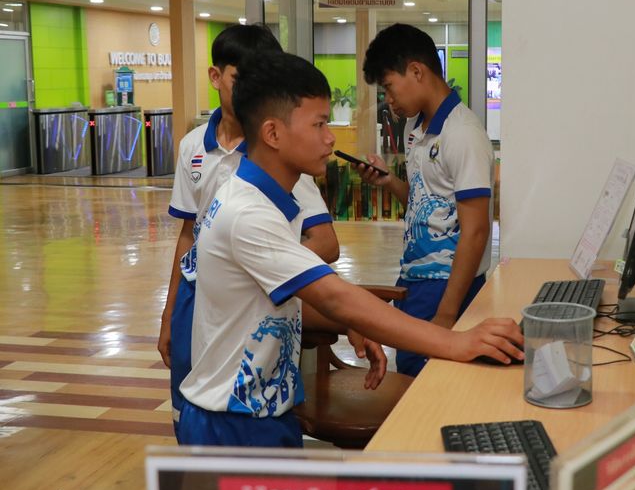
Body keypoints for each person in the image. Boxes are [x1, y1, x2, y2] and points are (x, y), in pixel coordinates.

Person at [177, 50, 523, 447]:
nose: (329, 137)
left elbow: (271, 300)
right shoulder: (247, 214)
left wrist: (350, 325)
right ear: (273, 134)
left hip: (260, 411)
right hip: (231, 424)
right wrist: (458, 341)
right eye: (319, 124)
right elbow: (334, 297)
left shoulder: (263, 200)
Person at [159, 23, 339, 439]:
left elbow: (326, 244)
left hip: (256, 295)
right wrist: (169, 312)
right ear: (215, 76)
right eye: (243, 78)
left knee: (247, 400)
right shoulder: (193, 147)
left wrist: (269, 266)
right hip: (197, 294)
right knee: (192, 402)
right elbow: (188, 234)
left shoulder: (278, 156)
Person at [357, 23, 495, 376]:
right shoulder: (415, 127)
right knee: (411, 369)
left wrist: (446, 315)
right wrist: (390, 182)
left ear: (417, 71)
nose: (389, 100)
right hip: (415, 278)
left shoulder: (462, 133)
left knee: (424, 375)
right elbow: (427, 205)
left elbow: (476, 231)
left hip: (447, 284)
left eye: (389, 87)